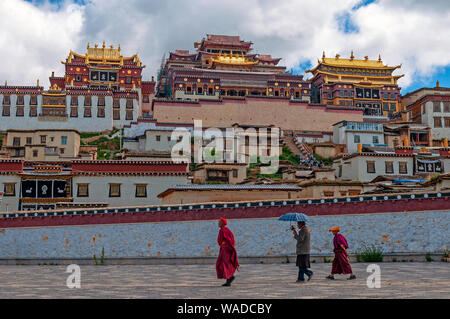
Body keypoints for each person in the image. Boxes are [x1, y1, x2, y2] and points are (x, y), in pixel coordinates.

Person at [216, 217, 239, 287]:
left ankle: (229, 278)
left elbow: (230, 240)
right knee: (222, 264)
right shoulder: (222, 230)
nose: (218, 223)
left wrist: (227, 246)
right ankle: (229, 279)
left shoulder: (224, 230)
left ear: (222, 223)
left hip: (226, 250)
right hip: (223, 249)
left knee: (225, 264)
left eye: (219, 222)